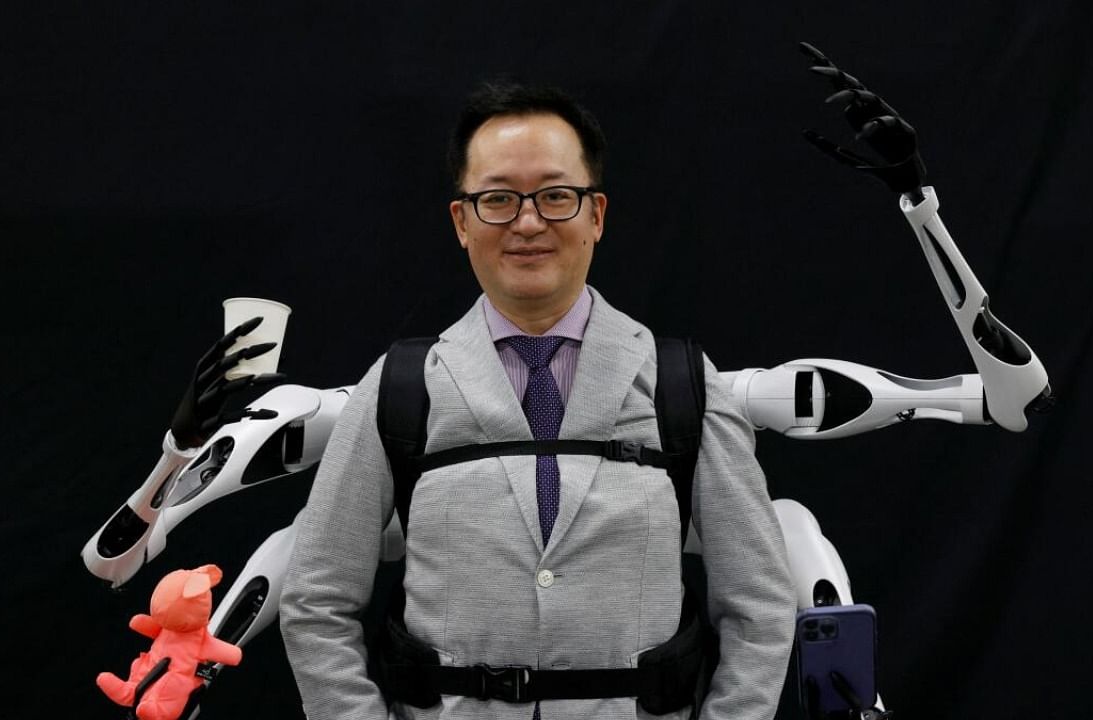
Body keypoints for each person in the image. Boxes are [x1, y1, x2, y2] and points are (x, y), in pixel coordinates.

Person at [279, 80, 795, 720]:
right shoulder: (399, 387)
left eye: (556, 196)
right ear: (462, 221)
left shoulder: (680, 383)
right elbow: (316, 599)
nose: (528, 222)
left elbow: (759, 599)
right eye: (498, 198)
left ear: (597, 215)